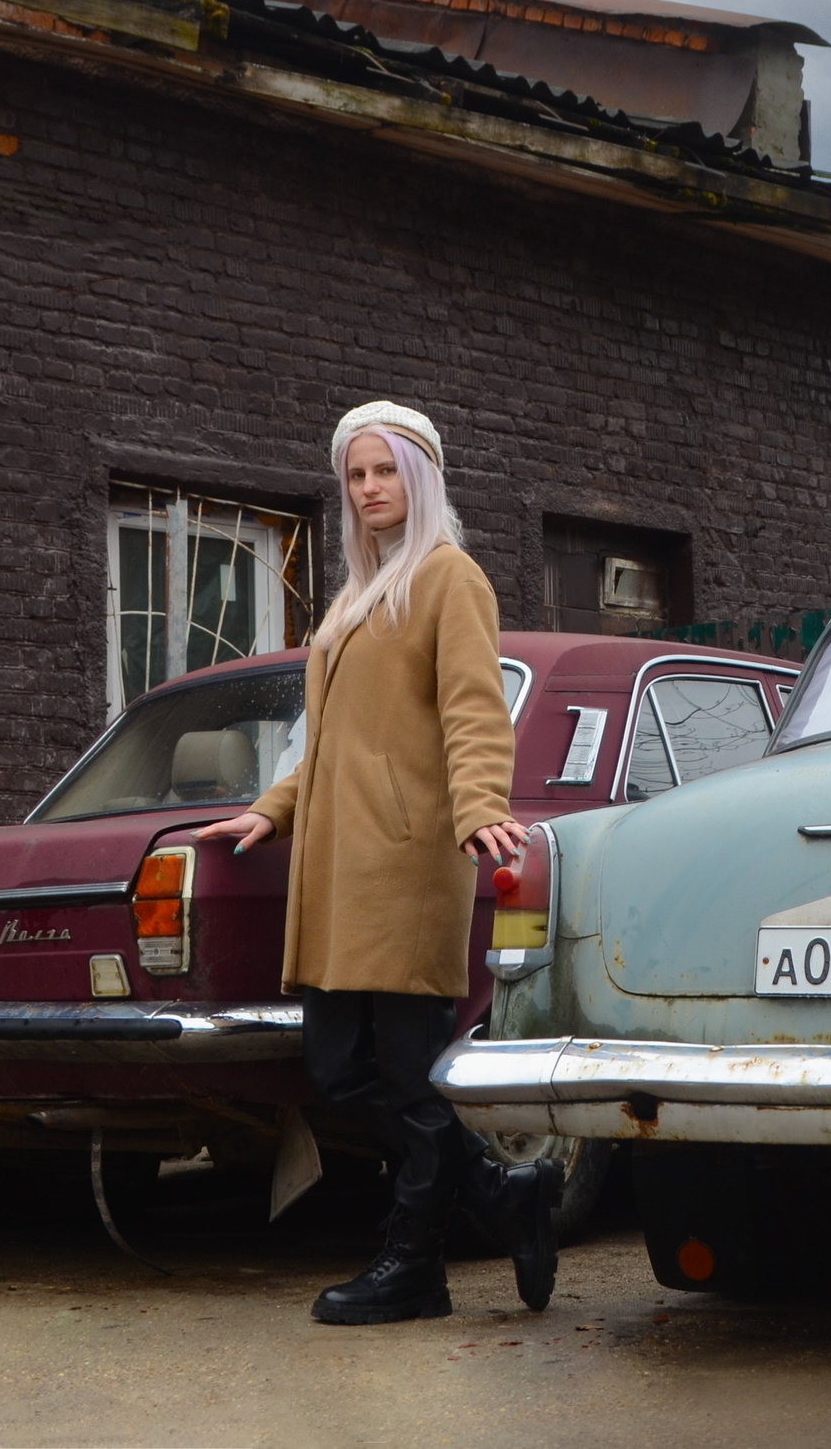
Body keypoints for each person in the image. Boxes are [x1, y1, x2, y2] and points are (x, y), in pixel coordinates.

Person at [196, 401, 561, 1325]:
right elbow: (324, 739)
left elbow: (475, 710)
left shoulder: (450, 579)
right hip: (336, 869)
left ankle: (414, 1264)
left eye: (385, 471)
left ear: (421, 475)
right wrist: (270, 809)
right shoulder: (355, 594)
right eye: (356, 476)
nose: (369, 490)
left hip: (402, 865)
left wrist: (482, 806)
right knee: (335, 1066)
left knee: (401, 1072)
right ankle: (503, 1193)